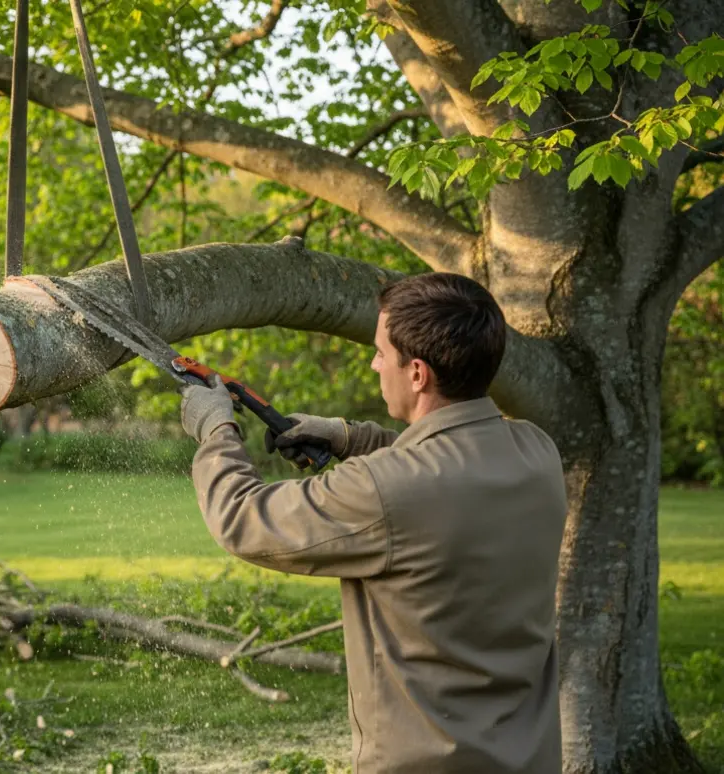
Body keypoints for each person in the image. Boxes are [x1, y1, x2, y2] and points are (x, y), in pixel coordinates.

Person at [178, 272, 567, 774]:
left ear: (418, 373)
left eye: (382, 353)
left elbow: (243, 518)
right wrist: (351, 438)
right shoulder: (537, 452)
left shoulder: (385, 491)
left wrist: (215, 428)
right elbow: (445, 464)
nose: (374, 363)